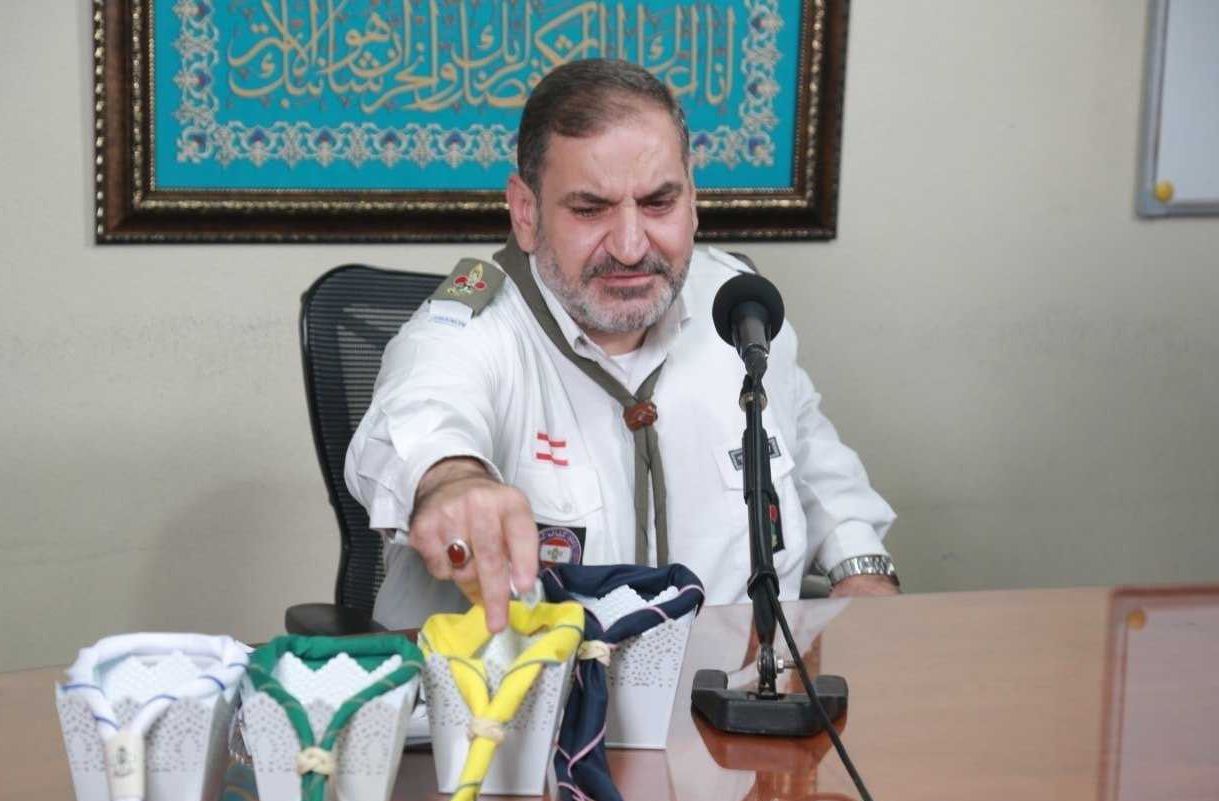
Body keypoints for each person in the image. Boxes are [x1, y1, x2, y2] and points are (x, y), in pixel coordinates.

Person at [345, 59, 898, 633]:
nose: (631, 247)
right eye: (590, 209)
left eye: (659, 203)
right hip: (525, 687)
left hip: (740, 679)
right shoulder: (468, 331)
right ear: (526, 212)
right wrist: (452, 480)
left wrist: (860, 569)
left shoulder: (739, 310)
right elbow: (416, 416)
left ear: (692, 199)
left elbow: (814, 466)